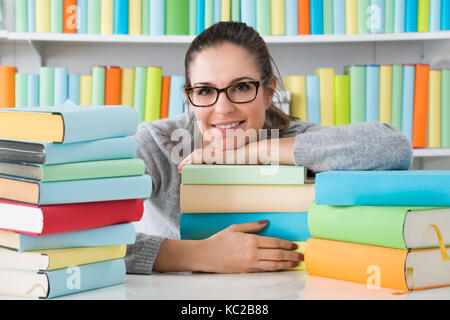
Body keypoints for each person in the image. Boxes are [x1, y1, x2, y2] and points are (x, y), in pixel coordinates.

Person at [125, 22, 413, 274]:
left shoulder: (287, 137)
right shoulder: (160, 142)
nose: (222, 108)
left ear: (269, 91)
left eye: (241, 87)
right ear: (189, 98)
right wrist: (198, 254)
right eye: (205, 91)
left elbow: (392, 147)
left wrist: (252, 153)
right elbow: (84, 236)